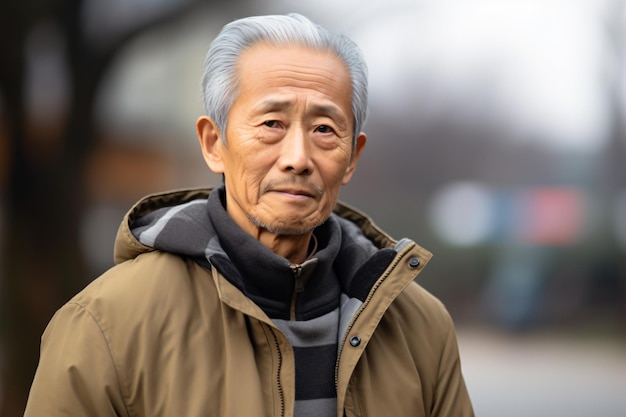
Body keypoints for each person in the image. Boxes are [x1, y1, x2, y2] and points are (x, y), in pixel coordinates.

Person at [24, 13, 474, 417]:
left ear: (352, 157)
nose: (297, 157)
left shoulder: (419, 327)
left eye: (324, 129)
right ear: (213, 143)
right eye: (271, 124)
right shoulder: (108, 323)